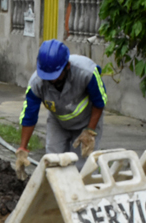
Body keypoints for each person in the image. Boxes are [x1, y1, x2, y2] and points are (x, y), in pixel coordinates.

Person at [15, 39, 108, 179]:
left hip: (87, 121)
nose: (51, 81)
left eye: (55, 76)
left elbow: (99, 102)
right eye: (47, 77)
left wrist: (90, 131)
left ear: (67, 66)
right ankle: (57, 197)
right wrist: (22, 148)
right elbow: (29, 115)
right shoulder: (36, 83)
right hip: (58, 121)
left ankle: (83, 198)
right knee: (53, 162)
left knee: (83, 167)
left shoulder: (86, 72)